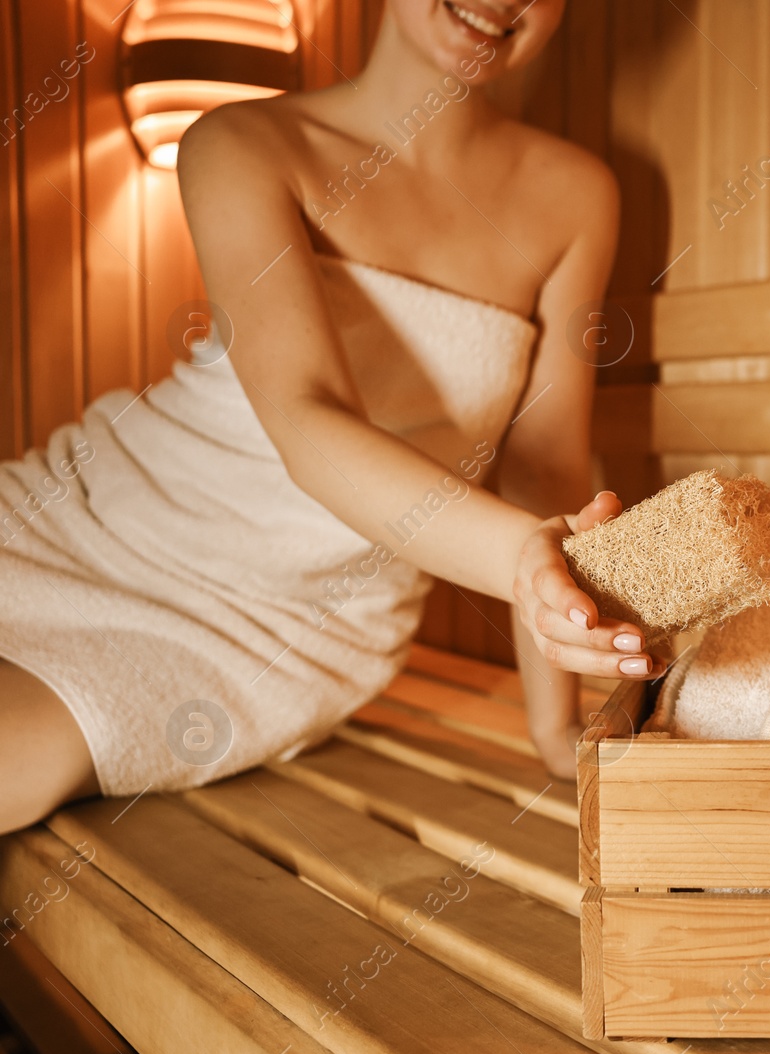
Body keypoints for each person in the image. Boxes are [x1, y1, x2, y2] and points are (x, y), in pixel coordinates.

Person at [0, 0, 651, 835]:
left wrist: (552, 722)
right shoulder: (240, 146)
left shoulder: (573, 198)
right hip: (86, 526)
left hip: (286, 632)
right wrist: (517, 557)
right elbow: (307, 418)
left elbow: (546, 464)